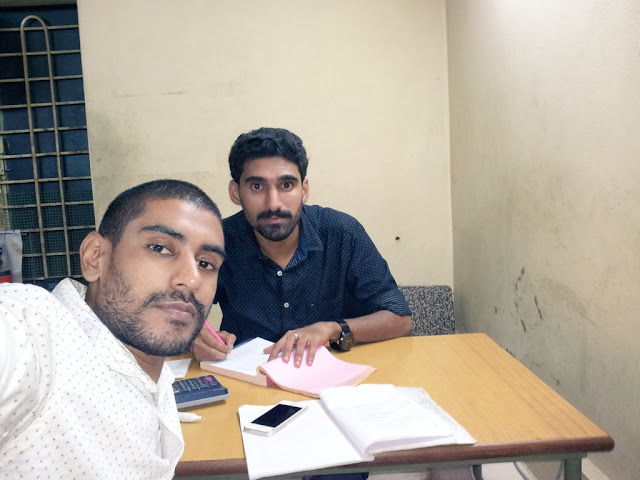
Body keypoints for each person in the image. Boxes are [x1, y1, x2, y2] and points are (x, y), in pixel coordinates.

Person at [0, 180, 225, 479]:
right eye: (160, 248)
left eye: (206, 264)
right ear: (95, 257)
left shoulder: (153, 374)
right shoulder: (36, 332)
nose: (193, 279)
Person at [191, 127, 412, 368]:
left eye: (286, 185)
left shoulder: (342, 233)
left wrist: (333, 328)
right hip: (245, 377)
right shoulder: (217, 242)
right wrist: (194, 337)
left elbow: (399, 319)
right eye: (257, 187)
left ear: (304, 190)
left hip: (334, 376)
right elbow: (177, 310)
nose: (273, 204)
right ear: (235, 192)